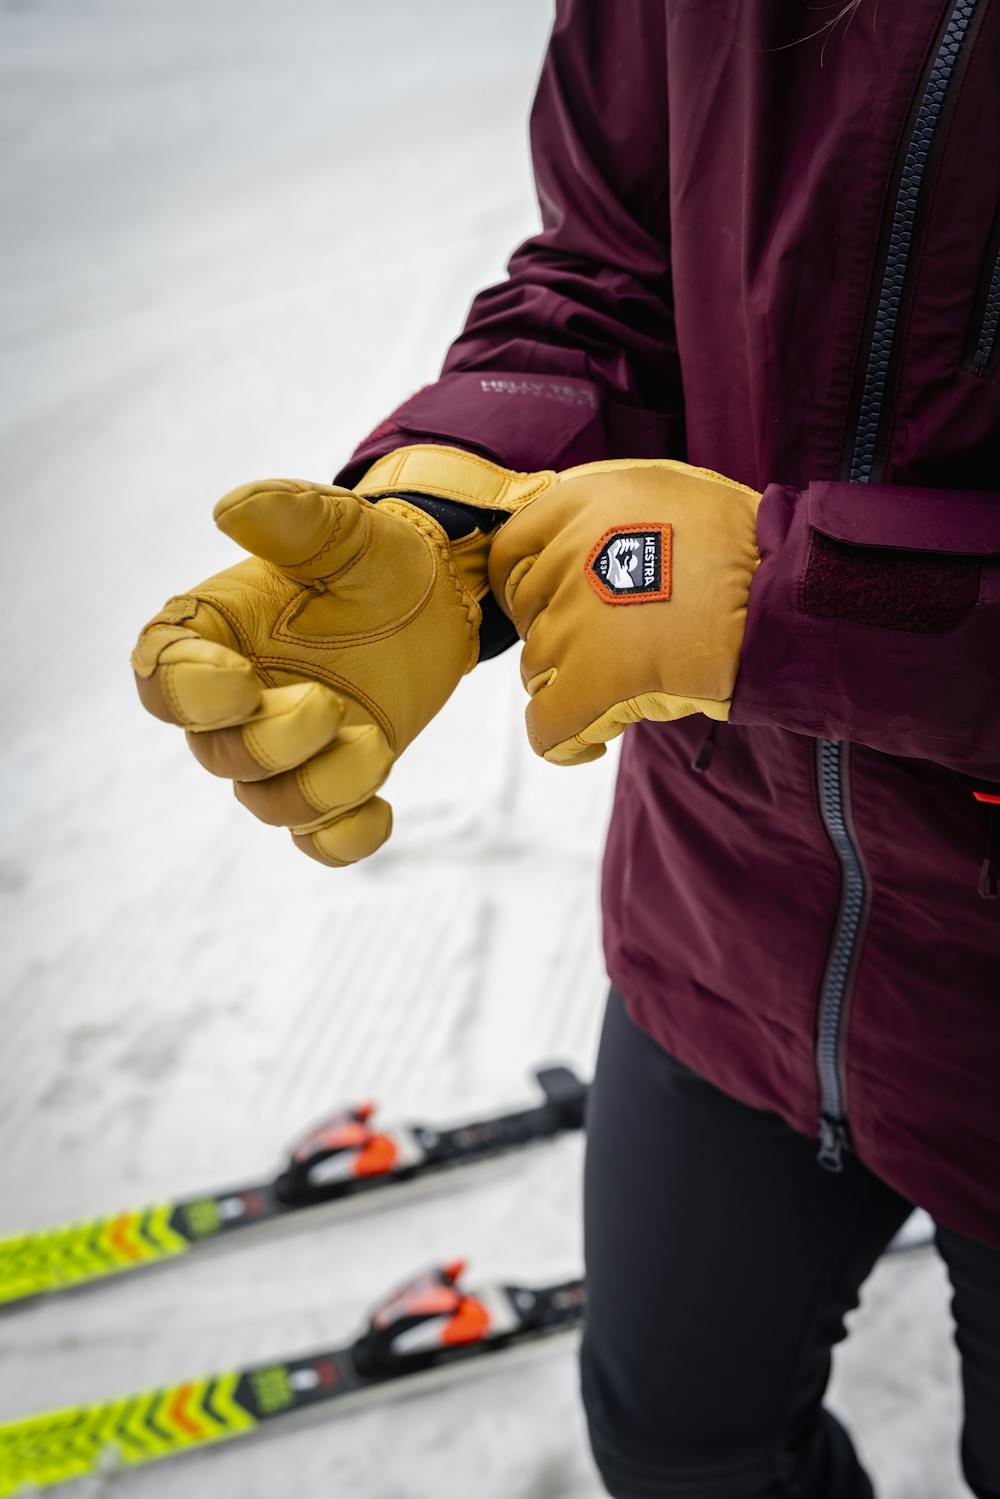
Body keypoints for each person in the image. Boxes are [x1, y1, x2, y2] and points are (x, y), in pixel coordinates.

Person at [131, 2, 1000, 1494]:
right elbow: (606, 270)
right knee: (678, 1454)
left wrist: (804, 602)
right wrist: (452, 503)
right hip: (720, 919)